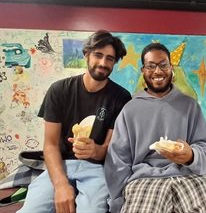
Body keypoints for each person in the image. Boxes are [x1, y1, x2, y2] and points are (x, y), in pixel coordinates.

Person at [105, 42, 206, 213]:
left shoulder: (189, 106)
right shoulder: (130, 110)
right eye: (151, 66)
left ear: (171, 68)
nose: (157, 71)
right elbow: (118, 158)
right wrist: (117, 201)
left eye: (163, 65)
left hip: (188, 175)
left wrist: (191, 155)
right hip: (144, 179)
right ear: (143, 71)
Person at [17, 30, 131, 213]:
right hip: (60, 164)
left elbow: (110, 148)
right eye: (98, 55)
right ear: (86, 54)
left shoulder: (121, 97)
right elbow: (50, 144)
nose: (103, 63)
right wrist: (61, 185)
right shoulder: (59, 90)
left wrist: (96, 150)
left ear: (115, 62)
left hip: (97, 168)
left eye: (110, 58)